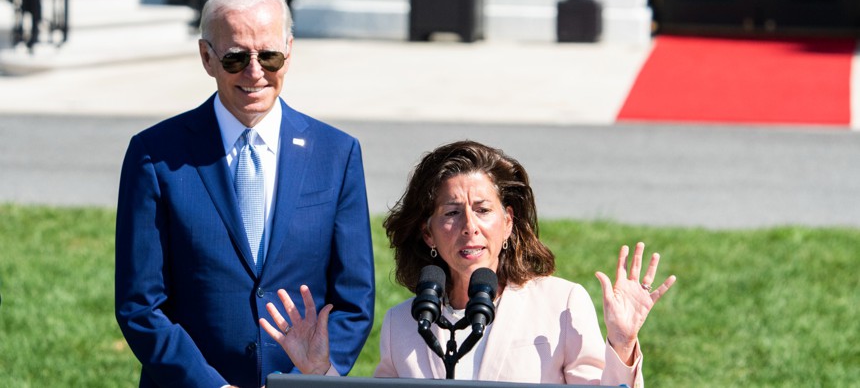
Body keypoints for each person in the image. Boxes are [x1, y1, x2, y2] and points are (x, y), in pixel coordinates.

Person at [114, 0, 375, 387]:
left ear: (289, 51)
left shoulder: (337, 154)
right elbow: (140, 304)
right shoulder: (155, 155)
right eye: (236, 58)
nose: (255, 73)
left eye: (269, 56)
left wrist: (315, 375)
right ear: (206, 57)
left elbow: (354, 298)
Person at [262, 140, 676, 386]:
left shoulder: (562, 303)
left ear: (508, 222)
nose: (469, 227)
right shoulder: (403, 324)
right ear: (428, 233)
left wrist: (621, 344)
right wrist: (319, 371)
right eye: (451, 213)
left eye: (482, 210)